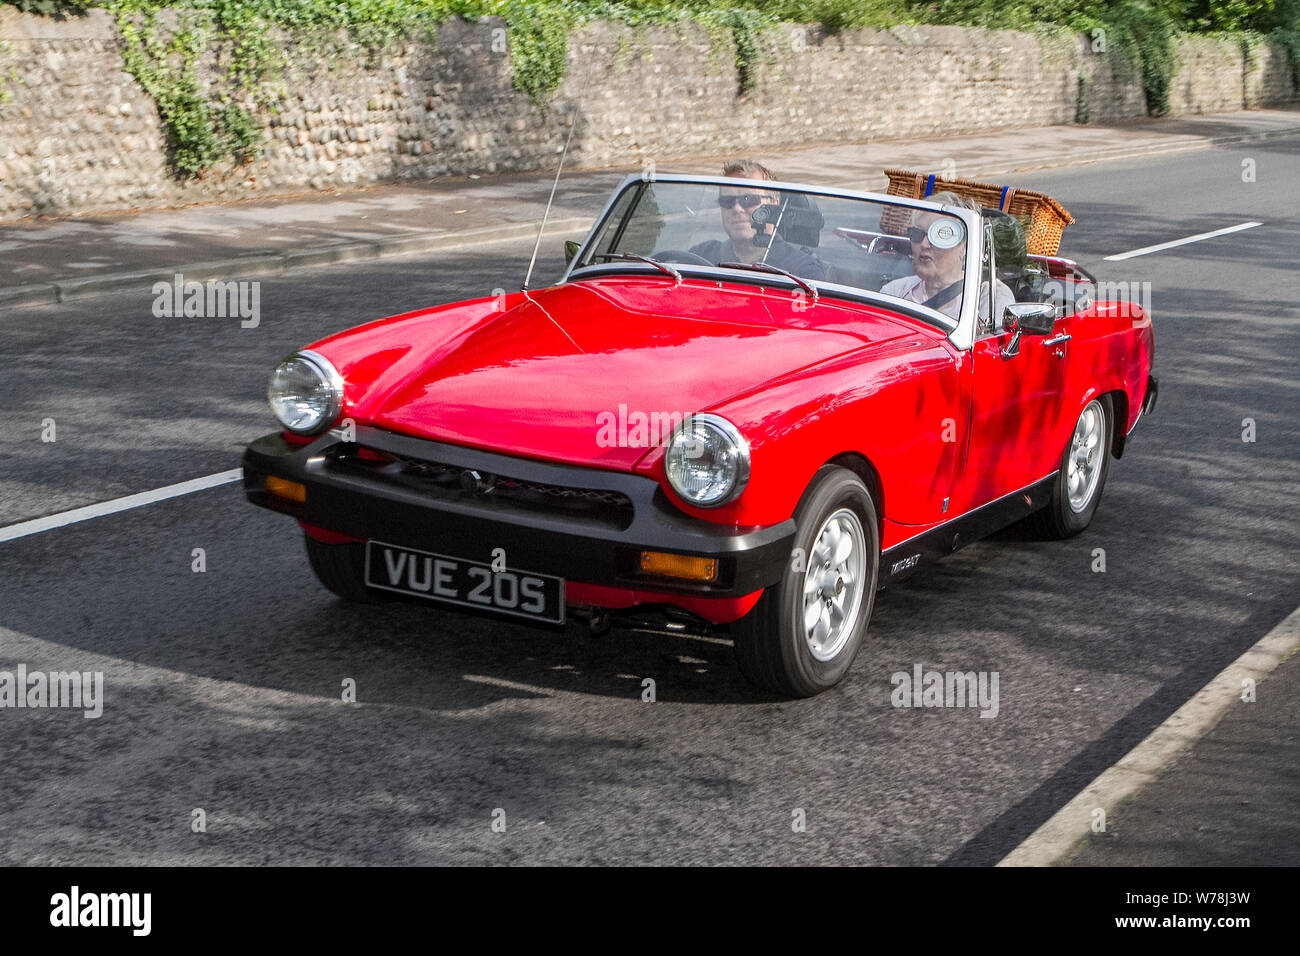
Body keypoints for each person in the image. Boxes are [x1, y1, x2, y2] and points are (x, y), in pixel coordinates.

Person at [880, 191, 1013, 329]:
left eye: (940, 236)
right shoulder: (895, 292)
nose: (924, 244)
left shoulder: (989, 295)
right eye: (917, 234)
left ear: (965, 247)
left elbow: (989, 347)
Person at [689, 160, 827, 280]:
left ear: (774, 203)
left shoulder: (803, 271)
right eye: (727, 201)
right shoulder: (701, 256)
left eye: (749, 199)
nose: (737, 208)